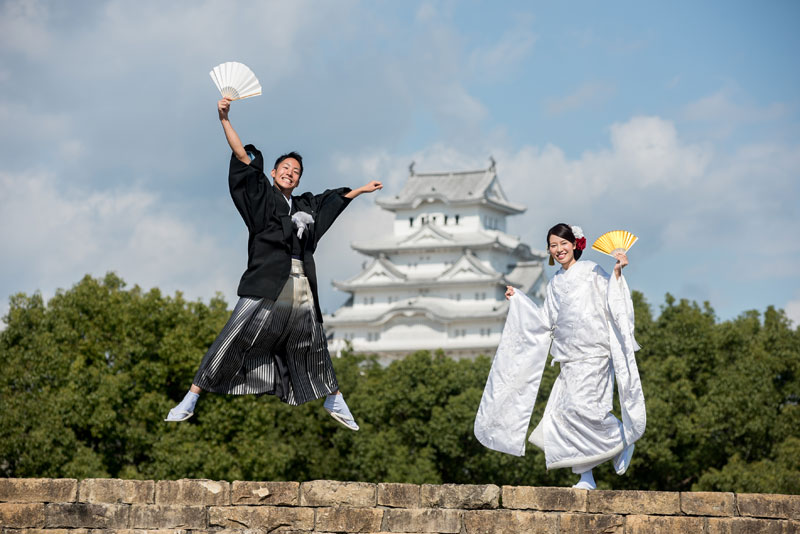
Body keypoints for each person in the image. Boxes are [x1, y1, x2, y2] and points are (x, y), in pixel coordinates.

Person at [165, 97, 382, 430]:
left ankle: (333, 398)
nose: (291, 174)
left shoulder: (305, 205)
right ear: (273, 172)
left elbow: (330, 202)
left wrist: (361, 191)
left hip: (299, 282)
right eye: (286, 169)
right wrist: (224, 119)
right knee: (234, 334)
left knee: (312, 337)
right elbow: (242, 158)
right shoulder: (263, 198)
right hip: (267, 280)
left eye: (296, 172)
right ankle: (191, 397)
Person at [474, 223, 645, 489]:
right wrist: (519, 299)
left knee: (588, 409)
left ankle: (622, 437)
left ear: (575, 244)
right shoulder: (555, 283)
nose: (559, 249)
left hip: (594, 354)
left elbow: (613, 298)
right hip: (569, 359)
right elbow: (544, 321)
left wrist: (617, 272)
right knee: (563, 415)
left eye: (563, 243)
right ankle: (586, 476)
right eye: (553, 246)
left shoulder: (591, 271)